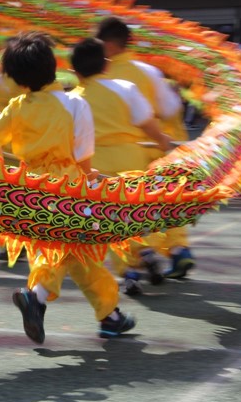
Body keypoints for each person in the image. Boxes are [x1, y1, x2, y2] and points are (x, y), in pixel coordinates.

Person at [0, 32, 135, 342]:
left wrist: (0, 166)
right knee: (64, 248)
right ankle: (36, 297)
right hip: (68, 189)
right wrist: (90, 178)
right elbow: (83, 155)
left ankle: (110, 315)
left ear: (18, 78)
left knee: (79, 255)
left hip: (30, 190)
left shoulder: (17, 106)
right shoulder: (74, 103)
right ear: (53, 66)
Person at [70, 37, 173, 295]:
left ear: (74, 71)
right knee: (138, 211)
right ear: (106, 65)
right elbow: (146, 122)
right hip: (131, 159)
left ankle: (129, 272)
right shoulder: (125, 88)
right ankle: (147, 250)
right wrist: (162, 142)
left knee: (110, 220)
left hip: (95, 165)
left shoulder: (71, 100)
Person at [97, 16, 195, 280]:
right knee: (165, 203)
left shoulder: (101, 76)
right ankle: (178, 249)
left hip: (125, 153)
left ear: (108, 44)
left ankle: (138, 259)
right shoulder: (147, 72)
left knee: (122, 212)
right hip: (156, 148)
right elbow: (170, 109)